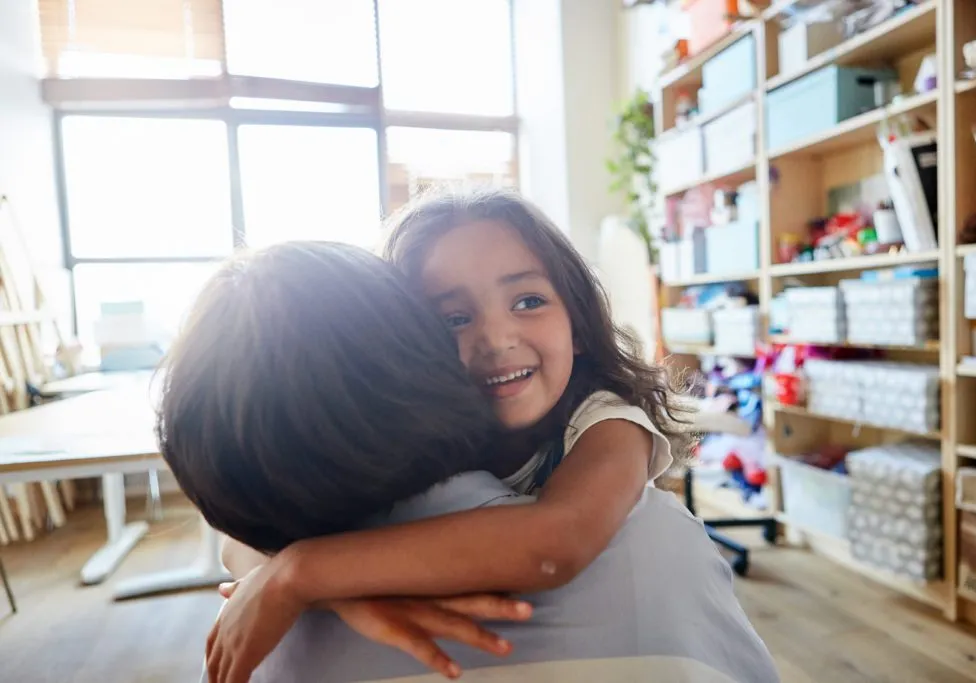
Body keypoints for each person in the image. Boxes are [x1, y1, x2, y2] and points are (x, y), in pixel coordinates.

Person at [164, 194, 777, 681]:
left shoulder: (607, 422)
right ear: (403, 350)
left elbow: (554, 544)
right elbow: (241, 539)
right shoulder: (392, 447)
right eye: (452, 317)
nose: (495, 337)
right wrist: (320, 590)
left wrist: (302, 575)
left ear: (581, 326)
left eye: (529, 300)